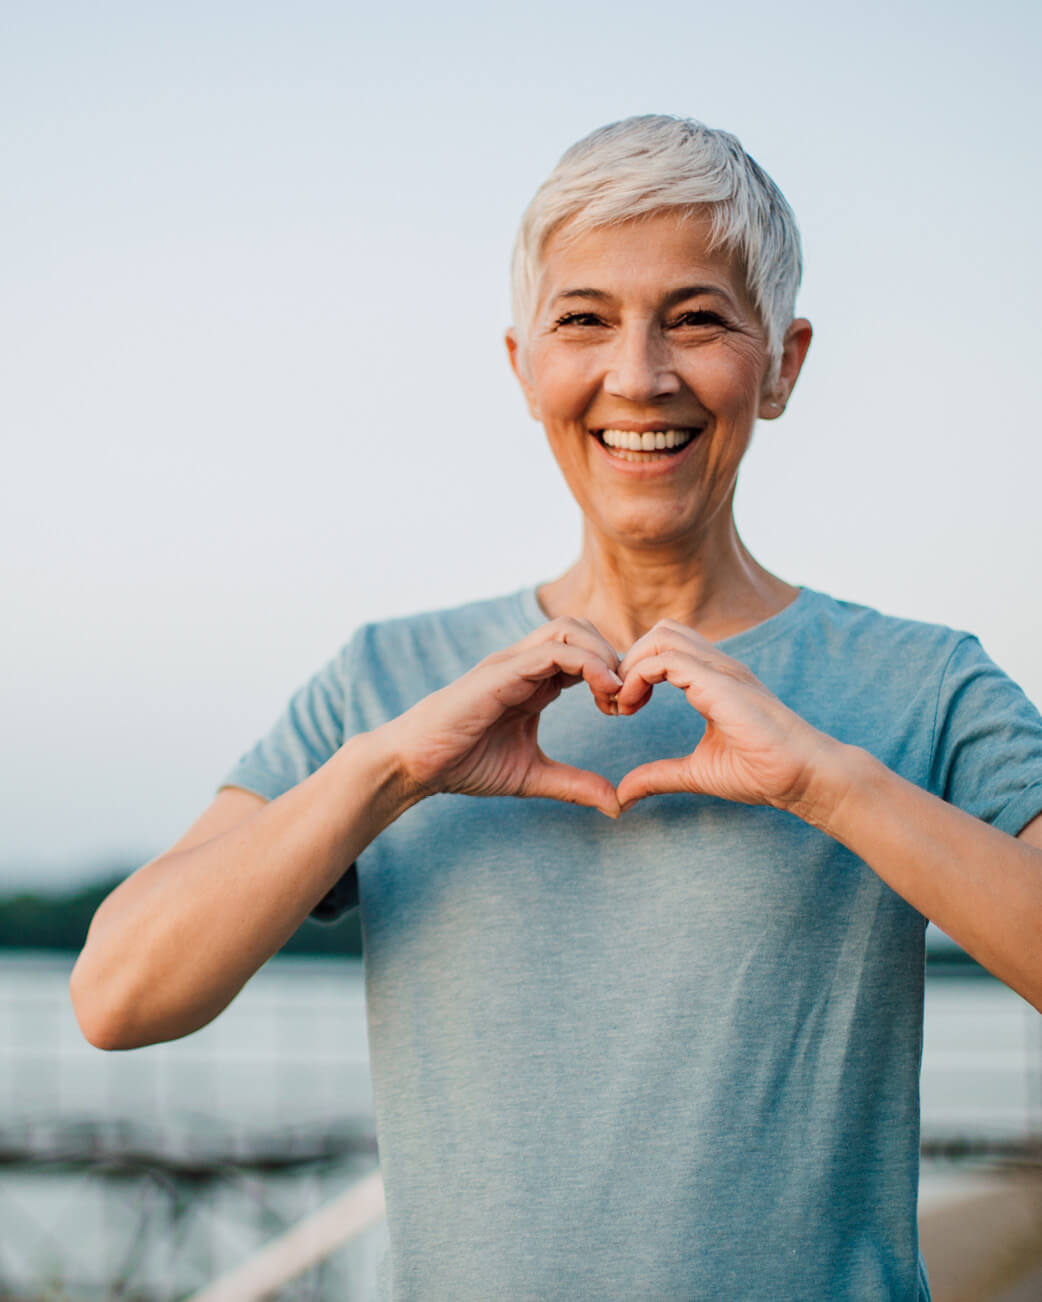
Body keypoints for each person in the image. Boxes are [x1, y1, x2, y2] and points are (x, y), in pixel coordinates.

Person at [71, 115, 1042, 1300]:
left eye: (697, 319)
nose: (638, 376)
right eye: (585, 320)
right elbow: (117, 996)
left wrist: (826, 783)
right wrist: (389, 773)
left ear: (781, 363)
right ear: (523, 363)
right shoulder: (386, 683)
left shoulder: (924, 683)